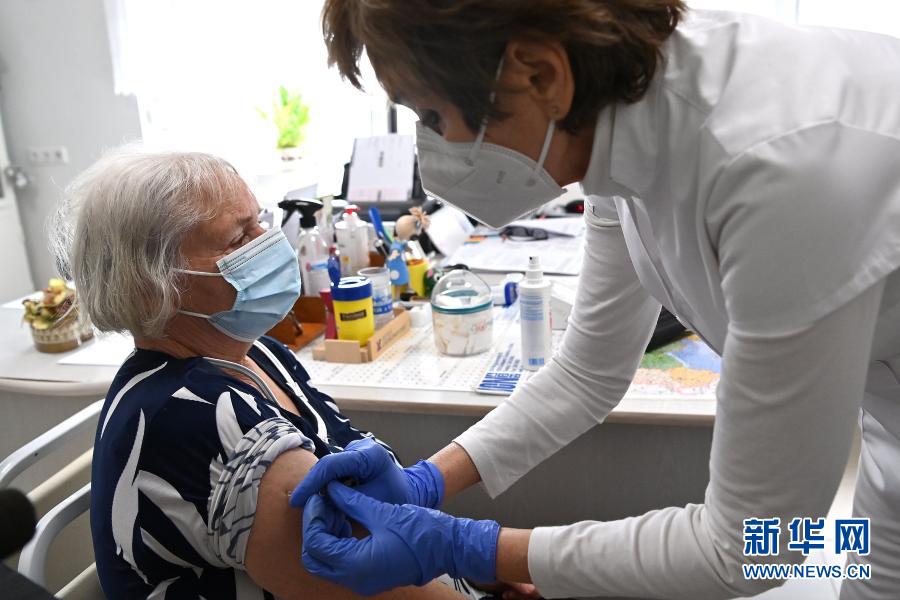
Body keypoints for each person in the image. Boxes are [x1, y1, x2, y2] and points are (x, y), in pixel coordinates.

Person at [291, 2, 900, 599]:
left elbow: (750, 547)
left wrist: (465, 546)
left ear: (540, 75)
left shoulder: (783, 165)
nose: (431, 150)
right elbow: (588, 373)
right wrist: (427, 480)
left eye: (430, 114)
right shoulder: (612, 122)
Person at [53, 148, 496, 600]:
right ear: (154, 288)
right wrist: (487, 557)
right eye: (237, 238)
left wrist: (470, 560)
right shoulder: (198, 419)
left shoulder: (259, 354)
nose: (267, 242)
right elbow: (377, 591)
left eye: (258, 221)